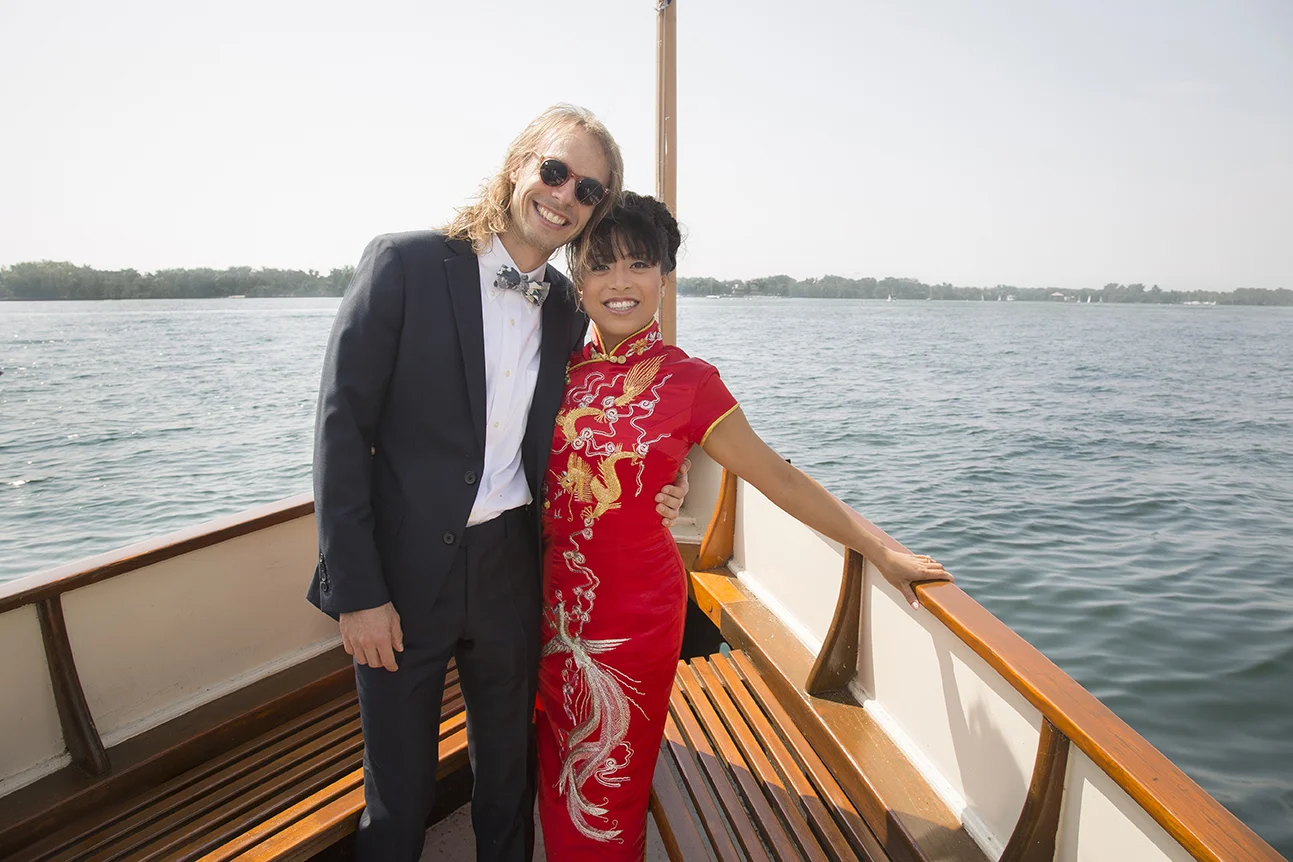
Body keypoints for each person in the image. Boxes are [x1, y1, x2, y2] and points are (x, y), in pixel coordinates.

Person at [307, 107, 688, 862]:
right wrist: (357, 592)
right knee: (401, 792)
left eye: (587, 191)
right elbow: (340, 429)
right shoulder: (405, 264)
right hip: (400, 577)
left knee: (508, 777)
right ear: (519, 164)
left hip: (513, 570)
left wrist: (664, 489)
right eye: (554, 171)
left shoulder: (564, 316)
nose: (563, 196)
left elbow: (608, 415)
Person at [535, 192, 953, 859]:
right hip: (542, 605)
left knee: (607, 782)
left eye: (638, 265)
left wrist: (881, 549)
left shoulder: (688, 382)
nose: (619, 282)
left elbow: (776, 477)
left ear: (664, 279)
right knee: (553, 767)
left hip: (634, 615)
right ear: (575, 277)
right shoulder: (547, 369)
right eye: (599, 264)